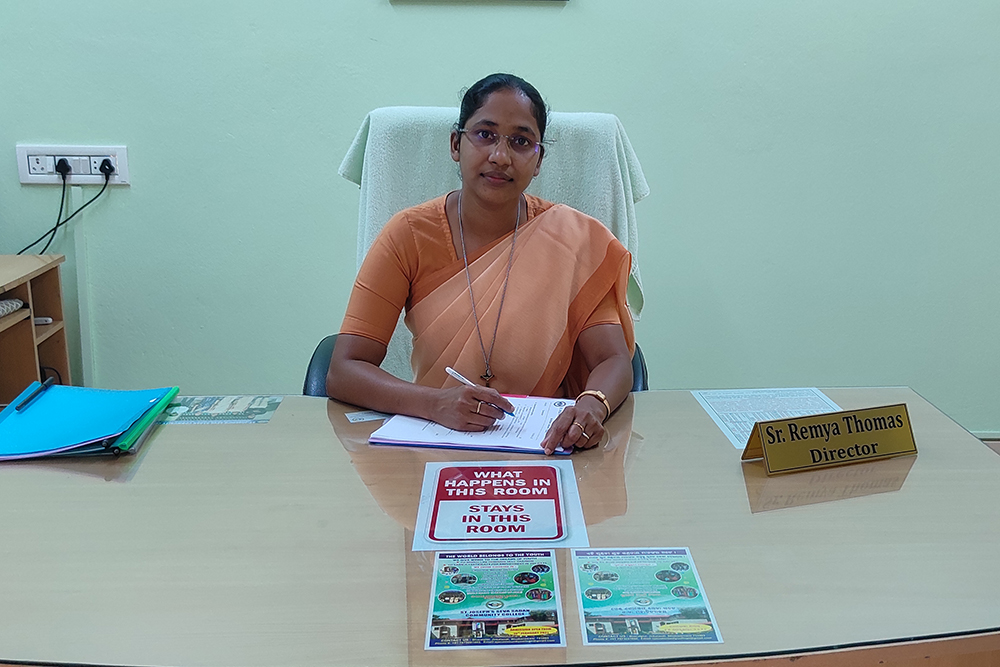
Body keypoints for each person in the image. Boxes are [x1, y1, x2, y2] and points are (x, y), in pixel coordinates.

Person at [327, 73, 635, 455]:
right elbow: (344, 370)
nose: (500, 157)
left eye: (521, 142)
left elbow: (614, 359)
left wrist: (591, 405)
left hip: (547, 447)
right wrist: (432, 403)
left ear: (538, 160)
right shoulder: (407, 234)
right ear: (456, 144)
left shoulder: (573, 238)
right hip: (435, 445)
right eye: (485, 134)